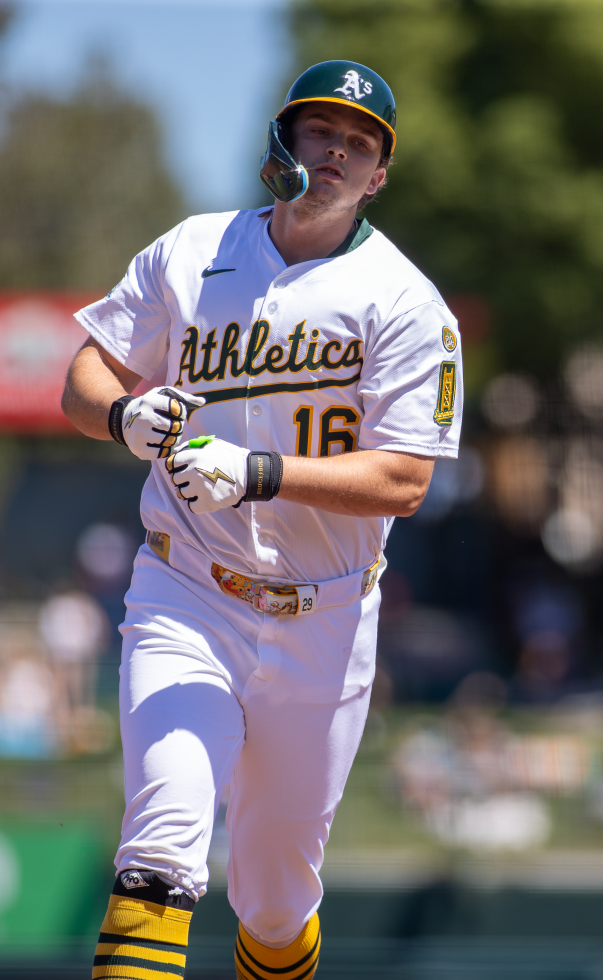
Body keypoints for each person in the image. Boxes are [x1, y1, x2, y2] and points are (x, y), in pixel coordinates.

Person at [62, 60, 463, 980]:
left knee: (276, 902)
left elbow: (405, 479)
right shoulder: (191, 249)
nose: (336, 151)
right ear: (283, 141)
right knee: (161, 841)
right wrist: (120, 415)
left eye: (360, 143)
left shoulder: (405, 303)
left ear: (379, 177)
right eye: (320, 130)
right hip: (186, 591)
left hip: (320, 618)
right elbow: (86, 375)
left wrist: (260, 472)